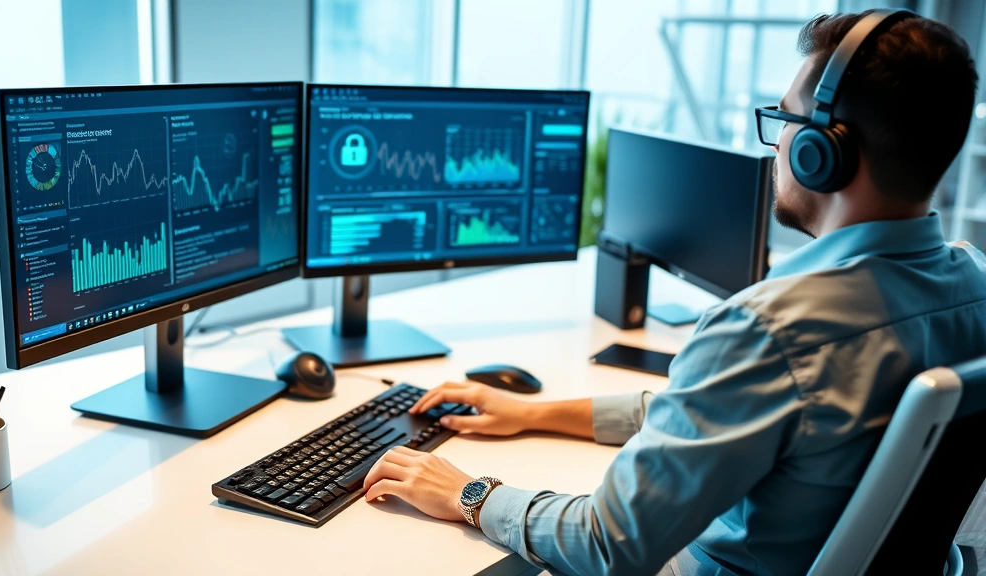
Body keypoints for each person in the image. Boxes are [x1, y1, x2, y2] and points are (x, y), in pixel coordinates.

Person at [362, 10, 986, 575]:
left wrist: (470, 494)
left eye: (785, 120)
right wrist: (534, 413)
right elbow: (718, 414)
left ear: (822, 152)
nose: (777, 144)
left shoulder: (768, 331)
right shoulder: (976, 284)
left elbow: (608, 546)